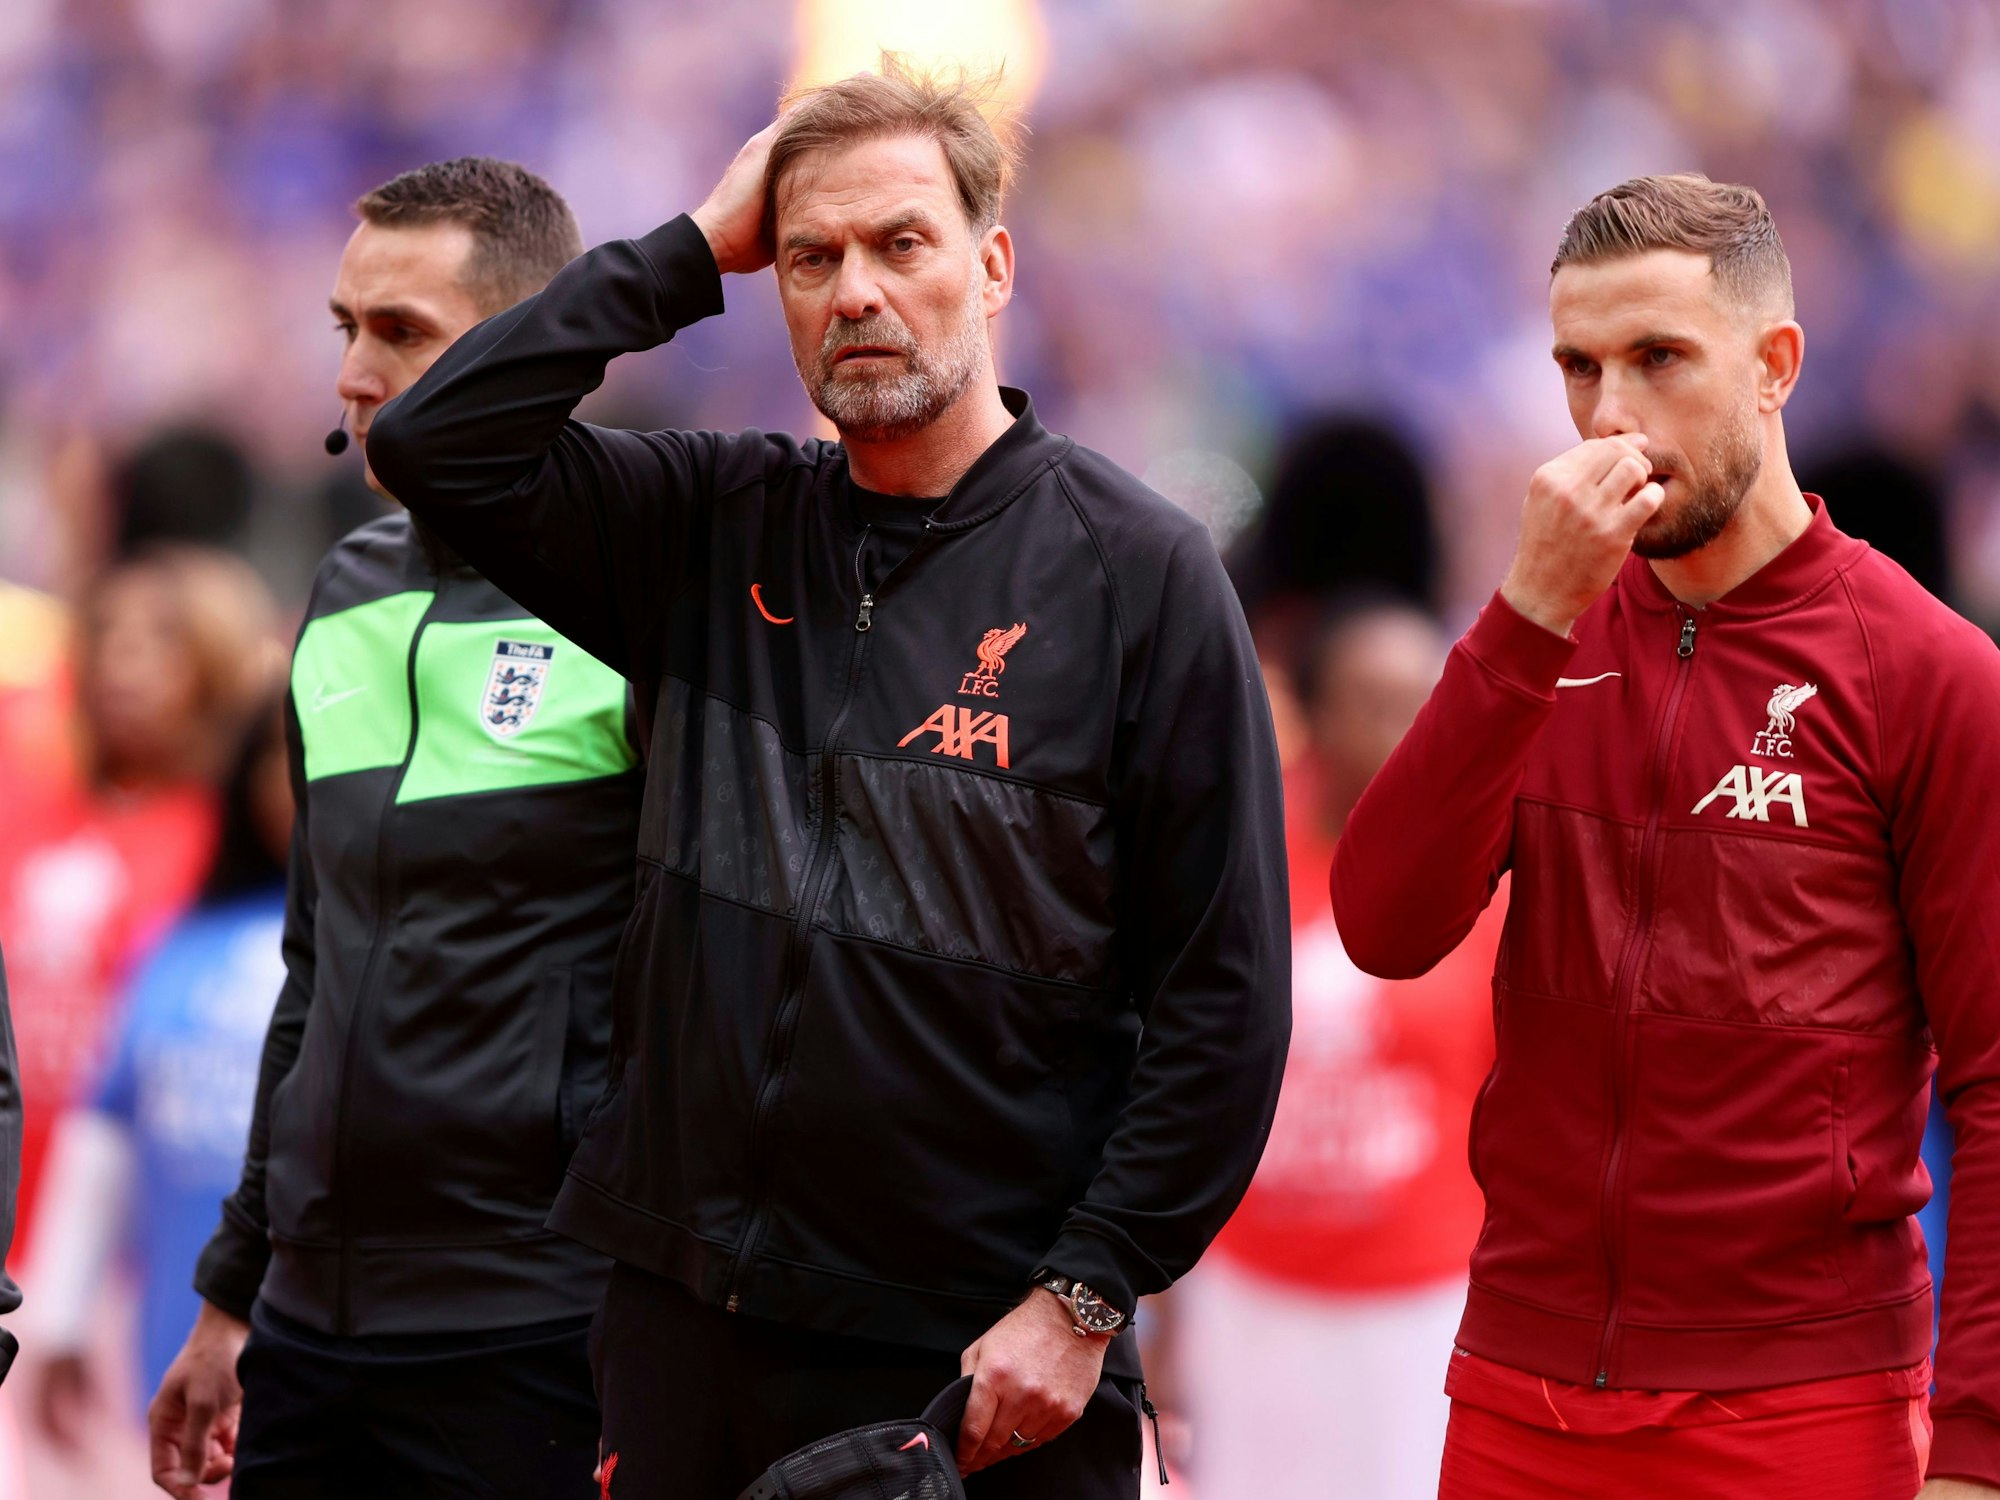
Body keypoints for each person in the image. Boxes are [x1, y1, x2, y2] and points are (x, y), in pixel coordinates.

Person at [367, 58, 1290, 1500]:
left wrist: (1085, 1296)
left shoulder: (1140, 575)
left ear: (992, 268)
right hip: (685, 1326)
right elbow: (434, 442)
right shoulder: (708, 520)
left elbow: (1223, 1001)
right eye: (811, 258)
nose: (855, 291)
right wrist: (688, 252)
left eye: (900, 243)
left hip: (975, 1360)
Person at [1331, 173, 2000, 1499]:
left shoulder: (1927, 674)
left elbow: (1994, 1083)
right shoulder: (1536, 636)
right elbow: (1383, 926)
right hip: (1517, 1390)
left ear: (1774, 366)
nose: (1609, 415)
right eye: (1578, 368)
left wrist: (1976, 1450)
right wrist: (1526, 614)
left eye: (1657, 359)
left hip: (1801, 1406)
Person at [147, 158, 642, 1500]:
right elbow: (315, 972)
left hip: (540, 1329)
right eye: (344, 327)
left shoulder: (640, 592)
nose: (354, 375)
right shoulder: (343, 591)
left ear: (534, 351)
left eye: (402, 333)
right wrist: (233, 1294)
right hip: (309, 1334)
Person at [1166, 599, 1500, 1500]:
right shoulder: (1243, 854)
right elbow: (1183, 1072)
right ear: (1313, 710)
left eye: (1422, 702)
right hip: (1250, 1290)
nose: (1402, 728)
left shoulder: (1491, 869)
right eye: (1372, 701)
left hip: (1421, 1299)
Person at [29, 696, 291, 1446]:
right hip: (172, 1350)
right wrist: (60, 1314)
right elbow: (106, 1125)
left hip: (338, 1366)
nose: (303, 778)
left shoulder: (391, 950)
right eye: (282, 753)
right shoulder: (179, 940)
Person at [0, 546, 277, 1253]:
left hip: (135, 1225)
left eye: (161, 641)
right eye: (108, 636)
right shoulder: (29, 815)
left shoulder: (228, 847)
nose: (122, 665)